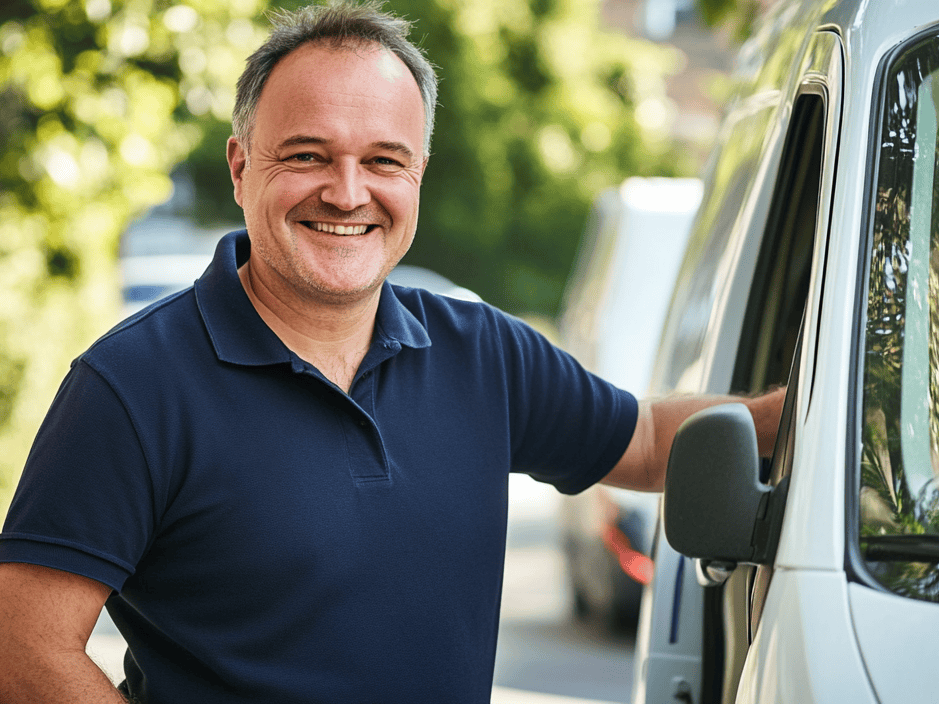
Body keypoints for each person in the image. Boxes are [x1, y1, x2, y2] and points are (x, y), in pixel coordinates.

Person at [0, 2, 785, 702]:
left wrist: (835, 412)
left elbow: (647, 442)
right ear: (242, 167)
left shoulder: (484, 354)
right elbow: (22, 648)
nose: (347, 192)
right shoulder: (132, 386)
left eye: (383, 160)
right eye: (307, 155)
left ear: (418, 175)